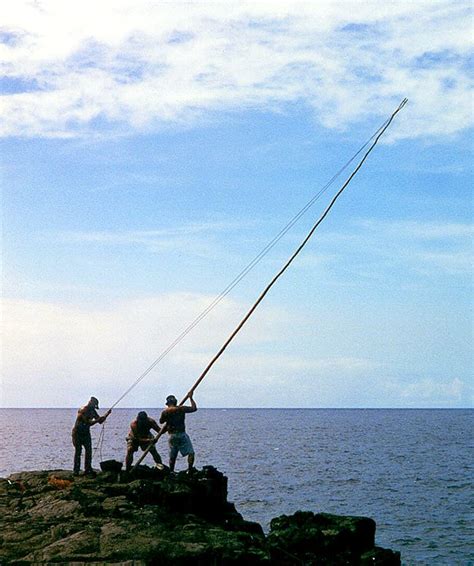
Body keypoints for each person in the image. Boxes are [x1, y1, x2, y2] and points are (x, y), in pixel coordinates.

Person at [72, 396, 111, 476]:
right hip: (77, 433)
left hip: (86, 433)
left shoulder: (93, 411)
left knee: (89, 451)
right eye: (94, 405)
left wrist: (107, 414)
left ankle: (88, 469)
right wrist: (97, 420)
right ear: (90, 403)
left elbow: (100, 421)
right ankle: (76, 471)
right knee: (78, 452)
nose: (94, 407)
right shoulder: (83, 410)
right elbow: (87, 422)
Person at [159, 393, 197, 472]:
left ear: (168, 404)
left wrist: (169, 418)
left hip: (172, 435)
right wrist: (191, 398)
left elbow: (161, 421)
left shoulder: (165, 412)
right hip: (181, 434)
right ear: (175, 402)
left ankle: (171, 471)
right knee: (191, 453)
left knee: (173, 457)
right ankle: (190, 469)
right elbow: (194, 408)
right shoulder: (181, 409)